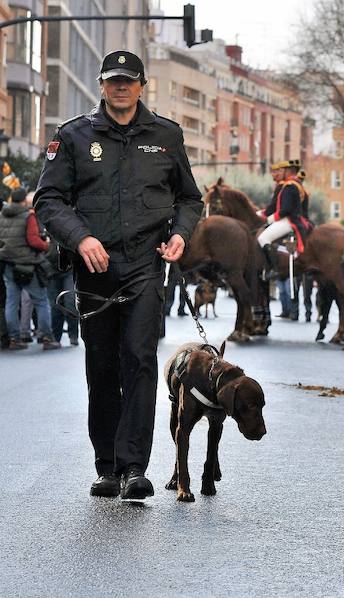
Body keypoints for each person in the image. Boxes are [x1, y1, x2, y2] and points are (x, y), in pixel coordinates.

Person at [34, 50, 203, 500]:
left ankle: (133, 468)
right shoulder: (72, 136)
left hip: (145, 265)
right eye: (113, 81)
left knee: (140, 359)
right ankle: (107, 467)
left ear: (141, 86)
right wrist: (80, 238)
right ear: (102, 85)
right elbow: (48, 199)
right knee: (102, 365)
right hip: (94, 267)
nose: (121, 87)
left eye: (129, 80)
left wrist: (181, 235)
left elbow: (190, 199)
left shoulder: (166, 134)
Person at [0, 188, 59, 350]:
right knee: (41, 301)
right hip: (27, 266)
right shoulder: (28, 216)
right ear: (24, 200)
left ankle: (14, 338)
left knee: (11, 302)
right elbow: (33, 240)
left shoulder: (2, 215)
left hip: (8, 264)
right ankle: (46, 336)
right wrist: (47, 246)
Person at [258, 160, 311, 279]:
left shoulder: (290, 186)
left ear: (288, 171)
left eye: (281, 170)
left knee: (263, 238)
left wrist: (270, 219)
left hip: (289, 220)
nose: (279, 172)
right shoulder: (291, 184)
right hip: (288, 219)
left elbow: (286, 209)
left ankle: (274, 269)